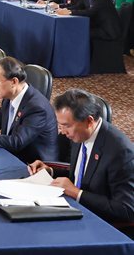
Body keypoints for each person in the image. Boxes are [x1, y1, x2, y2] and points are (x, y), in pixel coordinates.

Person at [28, 89, 134, 225]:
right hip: (72, 210)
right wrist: (51, 171)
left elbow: (126, 210)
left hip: (99, 224)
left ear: (89, 121)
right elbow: (84, 172)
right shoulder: (81, 135)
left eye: (66, 126)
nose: (62, 131)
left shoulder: (120, 152)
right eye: (60, 125)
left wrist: (77, 193)